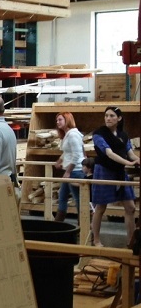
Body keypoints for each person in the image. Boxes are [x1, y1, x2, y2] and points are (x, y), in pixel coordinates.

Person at [91, 106, 139, 247]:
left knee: (130, 207)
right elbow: (109, 153)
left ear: (119, 118)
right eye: (106, 115)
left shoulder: (123, 135)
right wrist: (128, 163)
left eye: (112, 116)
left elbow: (130, 153)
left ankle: (131, 242)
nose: (108, 118)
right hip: (104, 171)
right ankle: (96, 240)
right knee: (101, 207)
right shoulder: (98, 134)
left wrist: (136, 160)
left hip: (119, 172)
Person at [54, 111, 85, 222]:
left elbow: (77, 154)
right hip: (70, 170)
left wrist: (68, 171)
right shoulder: (68, 135)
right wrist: (60, 160)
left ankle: (84, 224)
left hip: (75, 171)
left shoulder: (72, 135)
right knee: (62, 196)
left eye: (60, 119)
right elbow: (67, 152)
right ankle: (58, 223)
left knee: (78, 199)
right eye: (57, 120)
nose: (58, 122)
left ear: (67, 120)